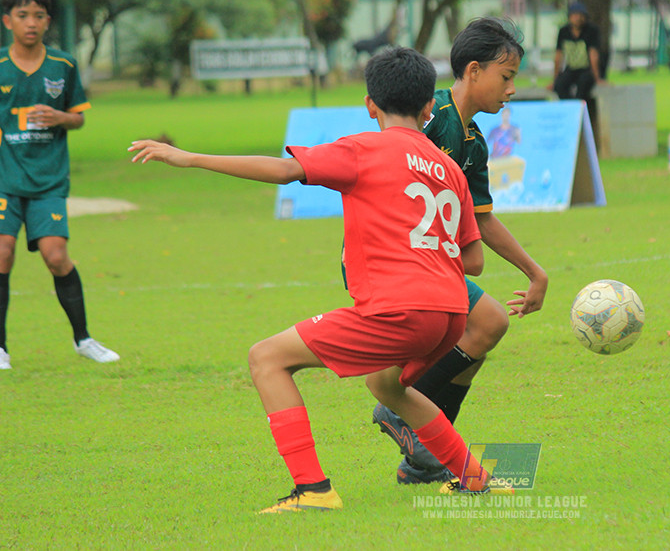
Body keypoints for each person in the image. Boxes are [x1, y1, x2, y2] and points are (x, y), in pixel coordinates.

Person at [128, 46, 498, 513]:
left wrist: (191, 158)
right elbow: (474, 259)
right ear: (429, 108)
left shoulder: (362, 149)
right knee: (388, 387)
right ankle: (473, 477)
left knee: (266, 358)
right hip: (450, 315)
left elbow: (285, 170)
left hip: (402, 310)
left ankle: (313, 490)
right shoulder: (448, 168)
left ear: (370, 105)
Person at [370, 17, 549, 485]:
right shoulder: (432, 122)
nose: (511, 89)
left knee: (481, 337)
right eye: (506, 77)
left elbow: (483, 218)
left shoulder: (473, 142)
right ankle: (399, 410)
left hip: (427, 262)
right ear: (473, 71)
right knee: (488, 322)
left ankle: (419, 458)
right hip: (397, 262)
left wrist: (535, 272)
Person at [0, 0, 119, 370]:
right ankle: (0, 348)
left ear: (48, 21)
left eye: (38, 15)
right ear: (7, 21)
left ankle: (83, 339)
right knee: (2, 254)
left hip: (49, 181)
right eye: (22, 15)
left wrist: (60, 117)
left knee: (56, 256)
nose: (30, 23)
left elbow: (79, 119)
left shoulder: (63, 65)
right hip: (5, 179)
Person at [548, 1, 605, 102]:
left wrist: (597, 78)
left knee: (583, 86)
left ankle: (579, 108)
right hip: (571, 68)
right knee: (560, 85)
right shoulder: (564, 32)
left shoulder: (591, 31)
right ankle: (569, 107)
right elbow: (558, 56)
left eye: (580, 15)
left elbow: (593, 55)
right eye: (574, 15)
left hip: (586, 70)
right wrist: (555, 80)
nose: (577, 19)